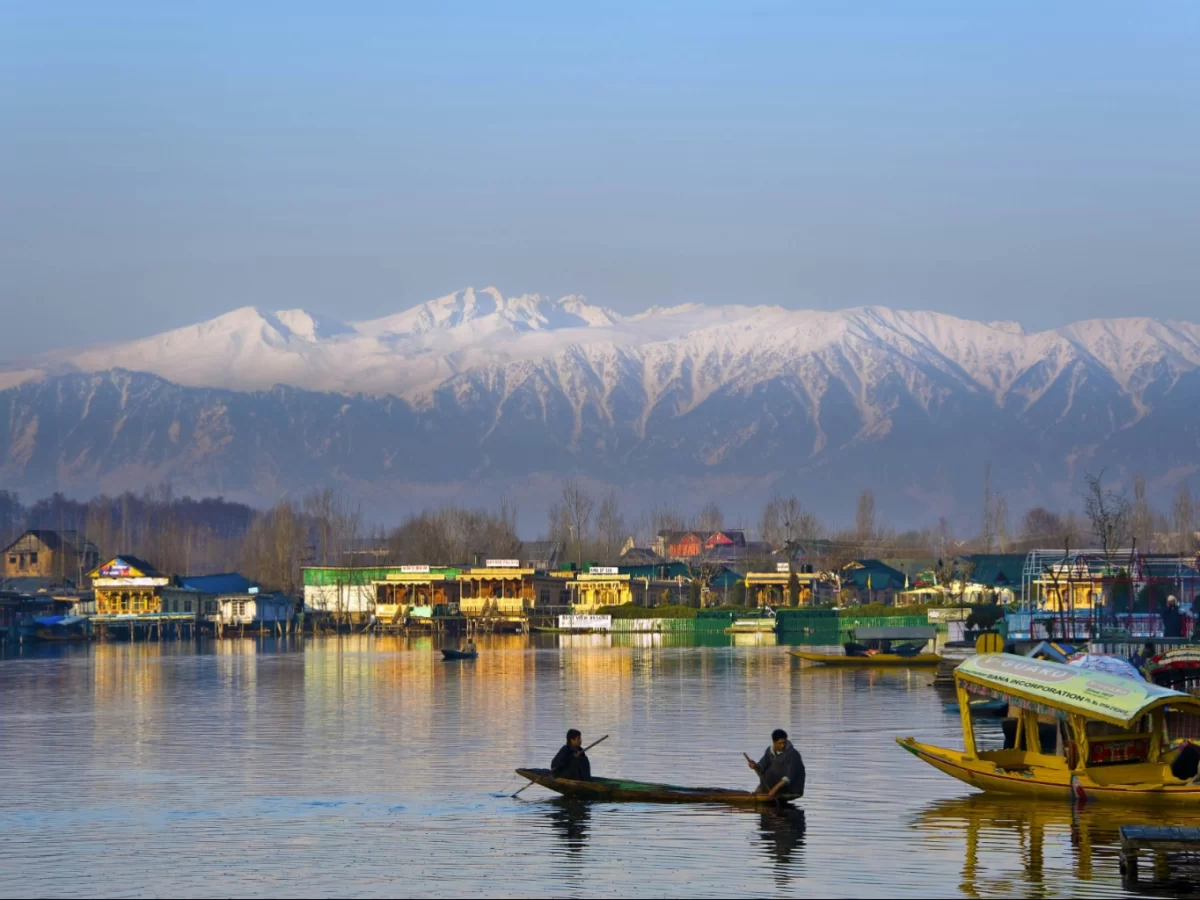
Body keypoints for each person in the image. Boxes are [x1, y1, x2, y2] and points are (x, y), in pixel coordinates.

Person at [748, 729, 805, 799]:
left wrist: (774, 790)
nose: (783, 746)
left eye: (784, 743)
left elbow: (789, 776)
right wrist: (755, 765)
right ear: (774, 742)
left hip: (791, 788)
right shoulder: (769, 751)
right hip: (774, 785)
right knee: (766, 771)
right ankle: (760, 790)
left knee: (772, 772)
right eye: (780, 743)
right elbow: (762, 764)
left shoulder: (792, 754)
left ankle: (765, 791)